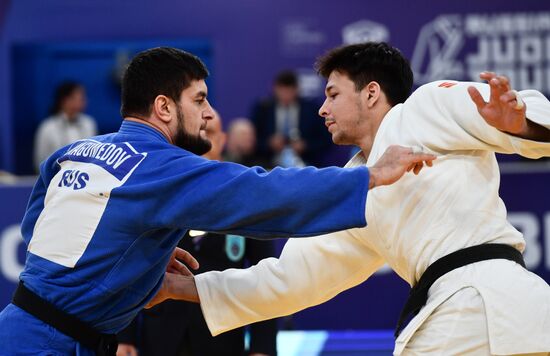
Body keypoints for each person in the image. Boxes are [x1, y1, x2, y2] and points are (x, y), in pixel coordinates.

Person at [0, 47, 435, 356]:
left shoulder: (70, 154)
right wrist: (367, 177)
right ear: (164, 108)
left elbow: (36, 230)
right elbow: (265, 194)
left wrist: (133, 246)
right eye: (200, 100)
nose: (208, 114)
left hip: (18, 327)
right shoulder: (163, 167)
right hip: (50, 344)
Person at [151, 43, 550, 355]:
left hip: (471, 307)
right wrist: (179, 288)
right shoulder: (357, 189)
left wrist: (521, 124)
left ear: (371, 93)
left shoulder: (425, 108)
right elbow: (289, 280)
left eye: (333, 93)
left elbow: (516, 108)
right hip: (517, 314)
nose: (322, 108)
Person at [117, 112, 278, 356]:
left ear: (223, 140)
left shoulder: (244, 199)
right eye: (195, 134)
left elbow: (265, 275)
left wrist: (262, 347)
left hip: (223, 340)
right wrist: (123, 337)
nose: (202, 142)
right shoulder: (156, 195)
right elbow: (128, 267)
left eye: (209, 133)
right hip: (160, 338)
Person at [251, 70, 332, 168]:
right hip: (268, 162)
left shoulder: (312, 109)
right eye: (282, 91)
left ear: (296, 90)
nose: (285, 95)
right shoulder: (263, 109)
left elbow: (325, 139)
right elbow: (253, 140)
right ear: (275, 89)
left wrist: (305, 146)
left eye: (289, 91)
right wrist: (269, 143)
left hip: (306, 162)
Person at [34, 81, 98, 172]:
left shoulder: (89, 123)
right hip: (55, 180)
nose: (84, 101)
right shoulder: (47, 127)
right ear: (65, 100)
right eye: (80, 98)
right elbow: (40, 160)